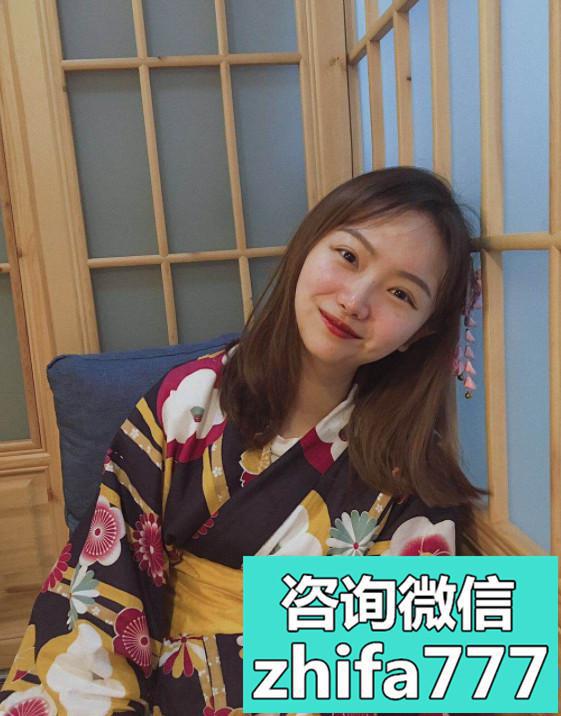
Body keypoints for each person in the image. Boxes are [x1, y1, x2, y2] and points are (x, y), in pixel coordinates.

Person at [0, 166, 485, 715]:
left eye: (400, 293)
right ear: (308, 246)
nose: (356, 300)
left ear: (421, 331)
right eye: (349, 256)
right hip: (133, 668)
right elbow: (107, 583)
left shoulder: (407, 473)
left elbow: (402, 666)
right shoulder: (186, 401)